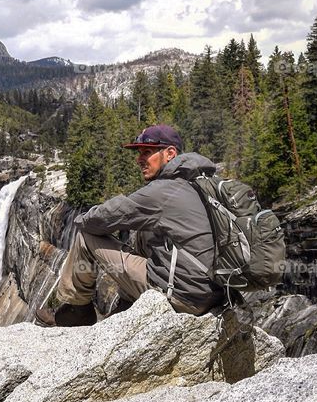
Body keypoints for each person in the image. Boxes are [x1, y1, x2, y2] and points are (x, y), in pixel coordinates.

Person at [38, 124, 224, 327]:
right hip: (213, 292)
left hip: (184, 296)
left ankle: (77, 312)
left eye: (147, 152)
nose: (139, 159)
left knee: (85, 236)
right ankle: (127, 307)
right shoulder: (203, 184)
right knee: (146, 231)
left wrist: (79, 219)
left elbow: (101, 218)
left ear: (170, 153)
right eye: (139, 153)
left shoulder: (163, 191)